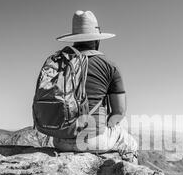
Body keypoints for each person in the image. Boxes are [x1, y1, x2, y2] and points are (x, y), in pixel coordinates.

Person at [49, 10, 138, 163]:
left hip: (59, 140)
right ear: (97, 40)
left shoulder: (59, 62)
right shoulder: (109, 66)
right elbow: (119, 112)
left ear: (74, 40)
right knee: (129, 140)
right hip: (92, 141)